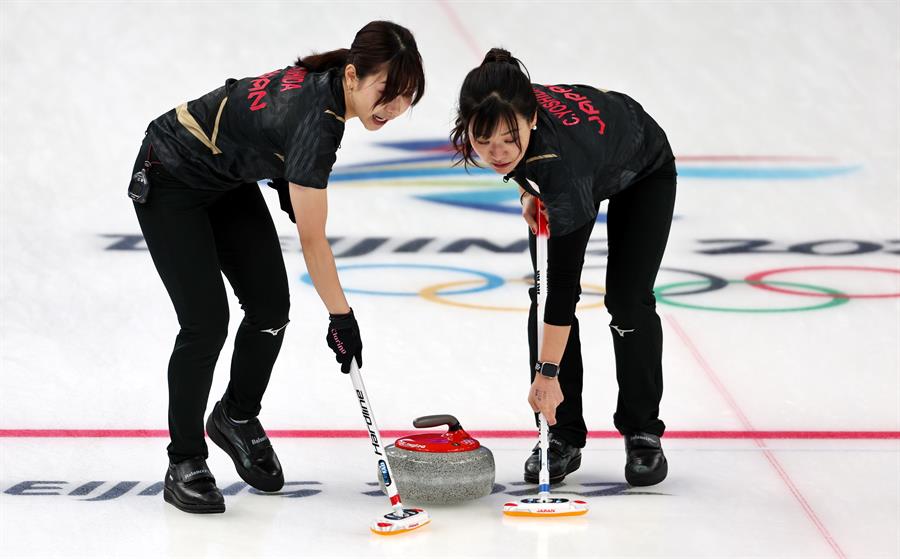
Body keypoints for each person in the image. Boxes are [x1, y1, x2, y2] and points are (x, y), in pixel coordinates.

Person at [129, 21, 425, 514]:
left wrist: (287, 182)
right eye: (387, 92)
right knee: (205, 325)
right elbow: (312, 241)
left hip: (224, 177)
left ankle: (236, 418)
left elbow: (263, 126)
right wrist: (342, 319)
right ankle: (183, 461)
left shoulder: (329, 81)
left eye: (406, 97)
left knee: (270, 308)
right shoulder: (321, 122)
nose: (394, 107)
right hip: (172, 175)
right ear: (352, 76)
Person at [451, 48, 676, 487]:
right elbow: (521, 156)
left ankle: (643, 429)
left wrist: (547, 374)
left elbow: (565, 290)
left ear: (531, 118)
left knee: (627, 302)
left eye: (508, 140)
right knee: (542, 297)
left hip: (642, 167)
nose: (496, 152)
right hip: (581, 163)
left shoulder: (561, 166)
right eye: (483, 141)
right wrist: (526, 191)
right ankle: (563, 435)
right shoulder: (505, 105)